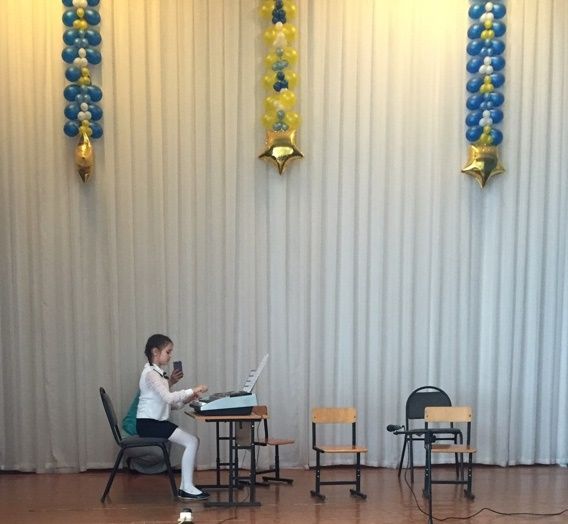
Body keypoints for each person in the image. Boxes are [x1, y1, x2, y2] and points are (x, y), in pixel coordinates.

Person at [136, 333, 209, 500]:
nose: (170, 356)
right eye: (168, 352)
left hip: (152, 423)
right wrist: (193, 390)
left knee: (192, 441)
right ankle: (186, 487)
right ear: (155, 352)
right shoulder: (150, 374)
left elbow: (172, 405)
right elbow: (169, 398)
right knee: (192, 441)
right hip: (149, 424)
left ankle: (186, 486)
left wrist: (188, 398)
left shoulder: (157, 374)